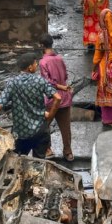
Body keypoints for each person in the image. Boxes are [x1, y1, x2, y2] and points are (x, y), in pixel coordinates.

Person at [0, 52, 61, 158]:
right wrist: (50, 115)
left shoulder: (12, 83)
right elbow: (57, 98)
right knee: (39, 163)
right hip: (39, 131)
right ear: (30, 67)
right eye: (35, 64)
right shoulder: (40, 81)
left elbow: (0, 103)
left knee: (17, 162)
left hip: (21, 132)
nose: (37, 65)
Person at [39, 33, 74, 161]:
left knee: (45, 125)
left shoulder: (43, 62)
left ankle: (48, 149)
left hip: (51, 99)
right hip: (65, 98)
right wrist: (63, 87)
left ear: (41, 46)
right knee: (65, 128)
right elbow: (65, 76)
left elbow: (47, 83)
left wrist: (58, 86)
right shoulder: (59, 59)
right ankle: (68, 152)